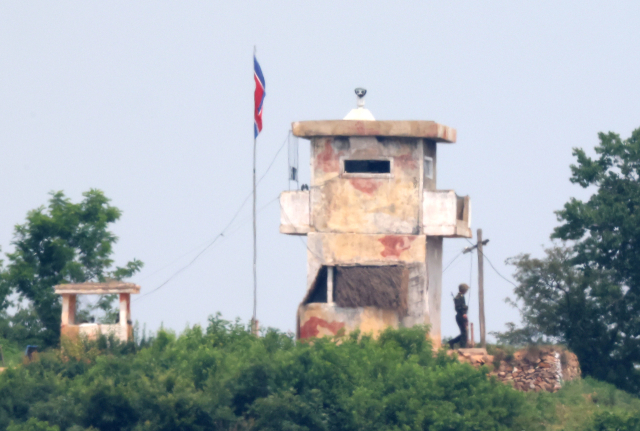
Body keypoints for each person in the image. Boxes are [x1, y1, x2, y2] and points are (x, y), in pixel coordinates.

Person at [448, 283, 469, 349]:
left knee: (464, 333)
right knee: (464, 333)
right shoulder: (460, 297)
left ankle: (453, 342)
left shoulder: (460, 296)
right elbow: (459, 307)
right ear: (463, 290)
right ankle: (462, 347)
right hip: (461, 316)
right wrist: (463, 313)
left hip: (460, 316)